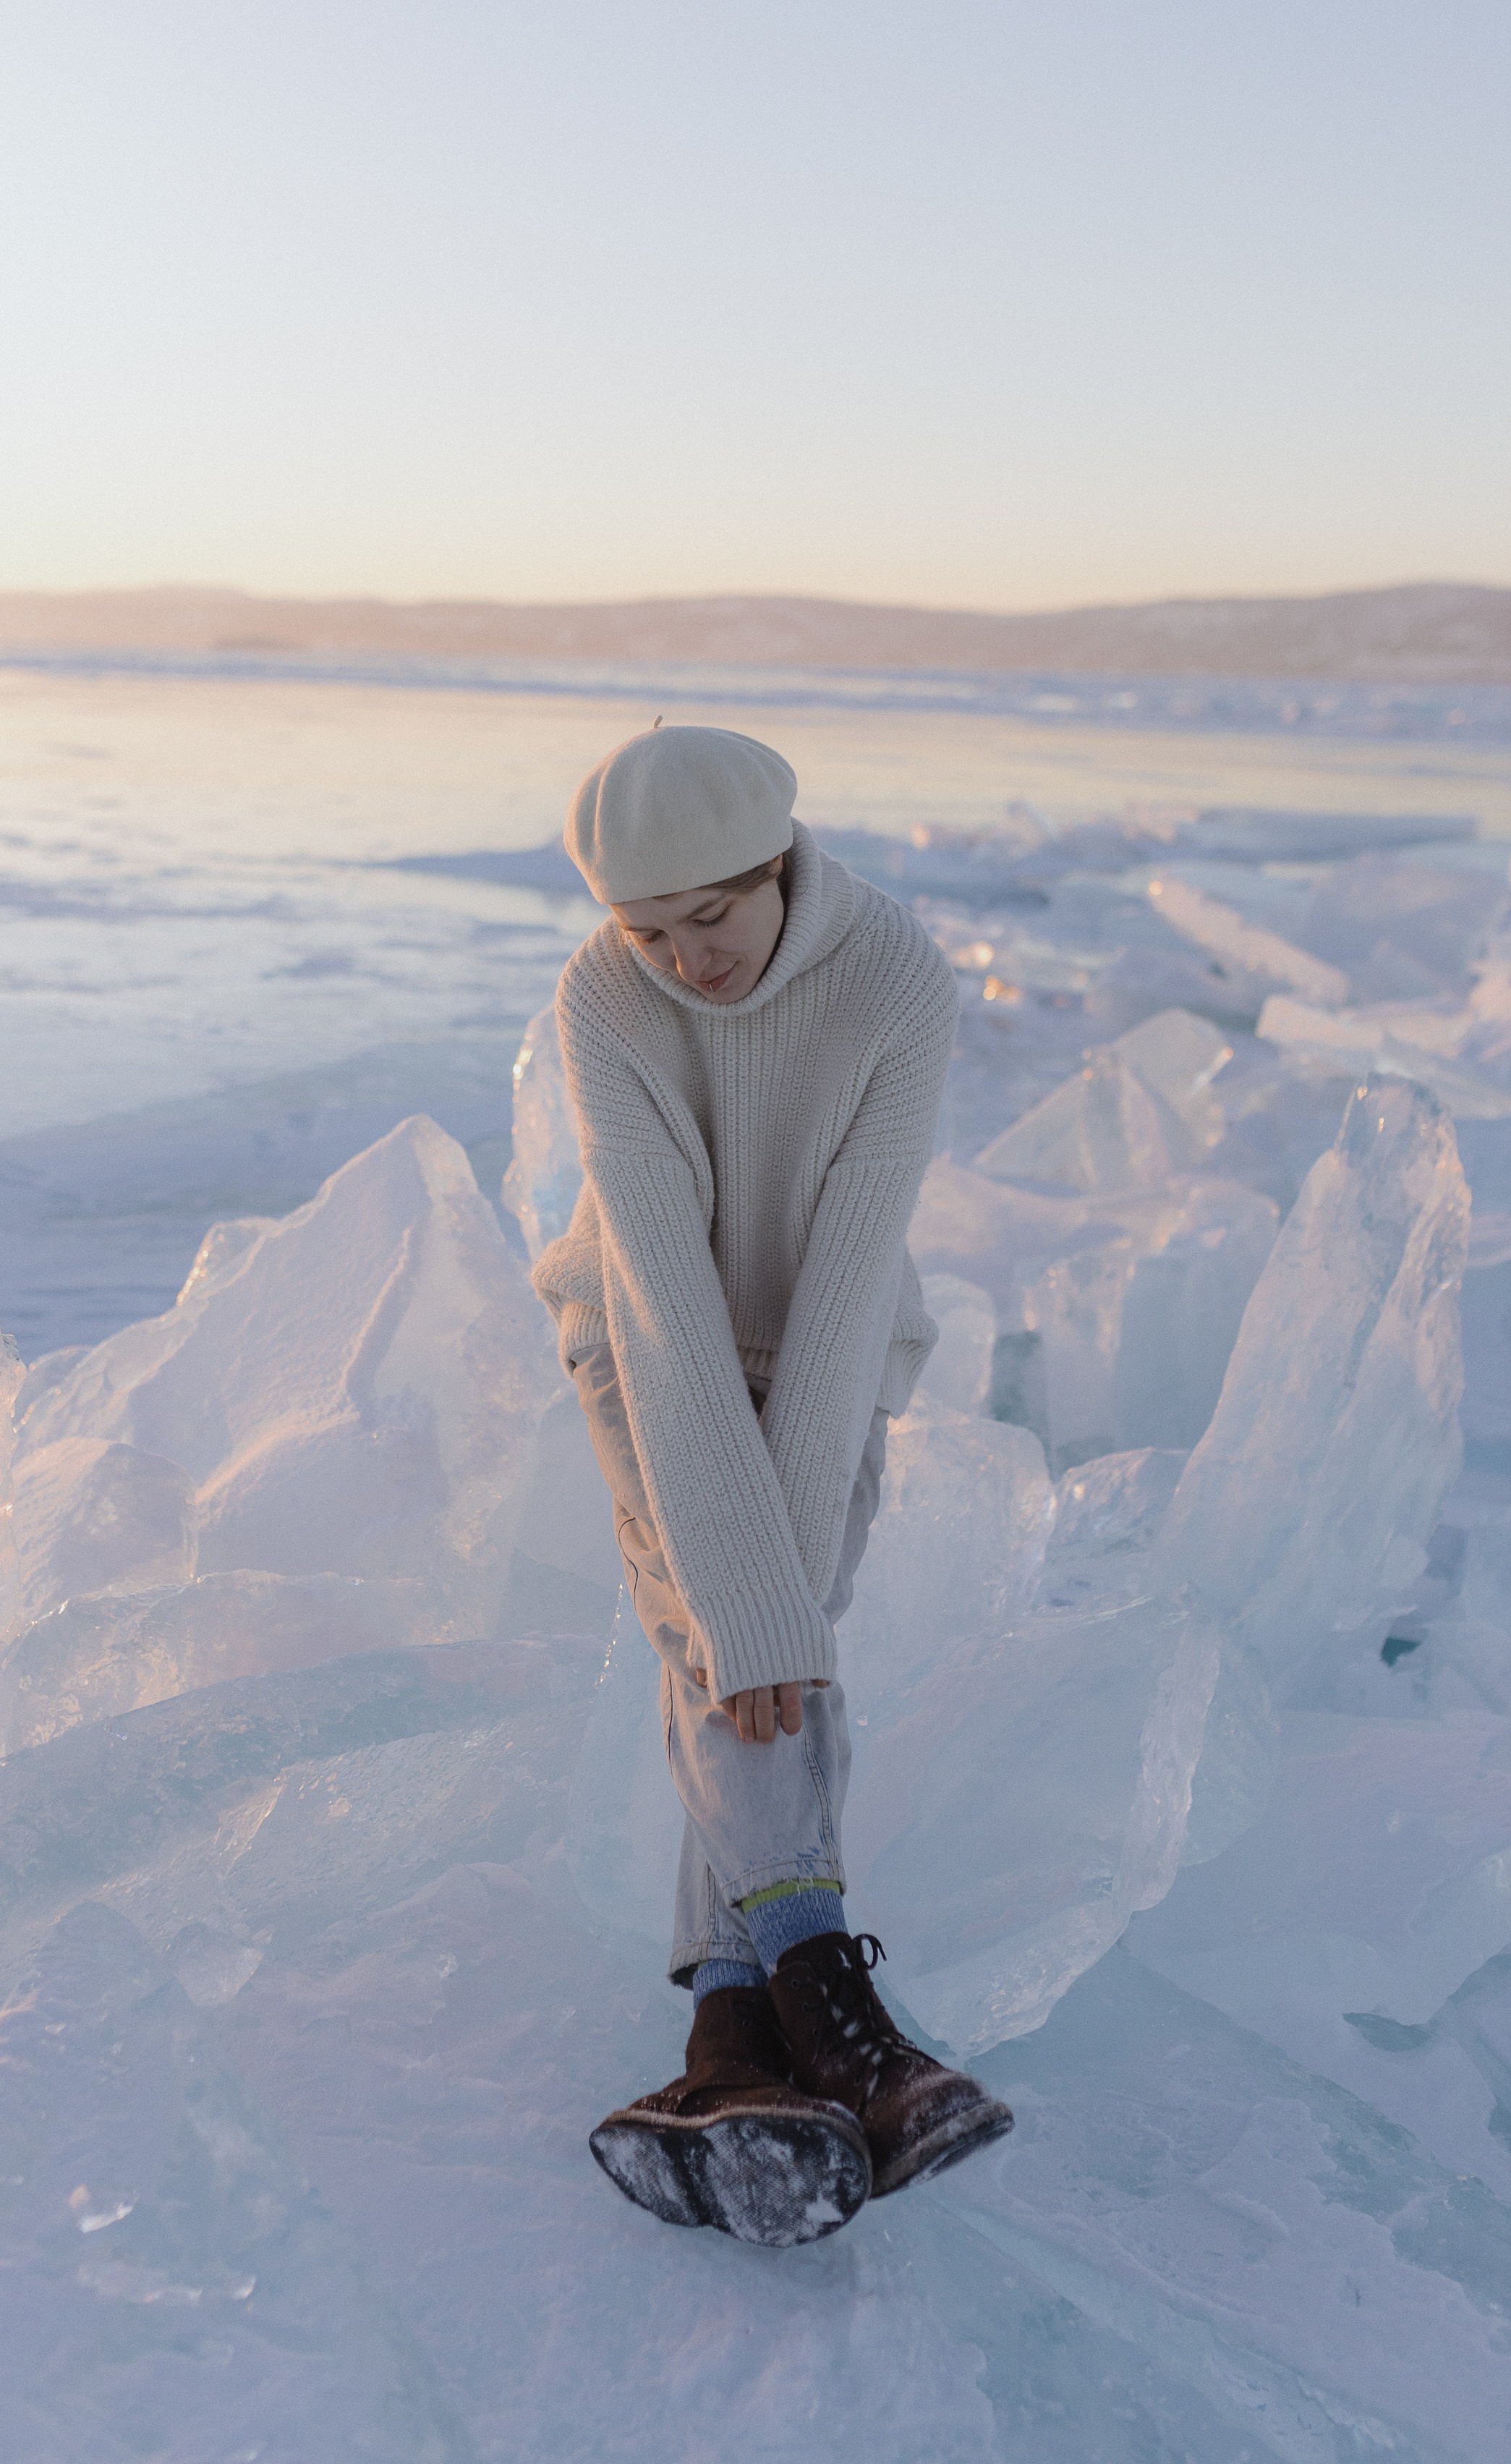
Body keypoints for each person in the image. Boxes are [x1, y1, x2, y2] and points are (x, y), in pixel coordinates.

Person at [532, 722, 1012, 2250]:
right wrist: (745, 1610)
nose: (683, 959)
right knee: (715, 1640)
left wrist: (773, 1605)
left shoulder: (891, 976)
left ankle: (729, 2047)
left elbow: (851, 1268)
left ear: (775, 869)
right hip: (639, 1335)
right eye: (646, 929)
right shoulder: (602, 998)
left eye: (711, 918)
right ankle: (835, 2005)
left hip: (835, 1330)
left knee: (770, 1653)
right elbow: (665, 1300)